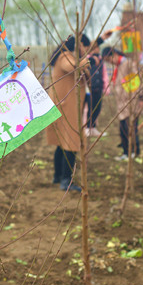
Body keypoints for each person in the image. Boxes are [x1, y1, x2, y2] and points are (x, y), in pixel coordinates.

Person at [46, 31, 112, 191]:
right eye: (84, 47)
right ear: (78, 46)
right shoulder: (65, 56)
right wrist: (90, 60)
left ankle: (58, 177)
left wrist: (101, 39)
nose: (87, 50)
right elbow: (73, 65)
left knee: (63, 144)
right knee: (71, 143)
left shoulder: (69, 55)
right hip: (67, 108)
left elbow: (84, 56)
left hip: (66, 107)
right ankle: (65, 180)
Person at [102, 46, 142, 161]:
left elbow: (135, 81)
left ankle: (134, 151)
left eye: (110, 60)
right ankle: (126, 152)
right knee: (123, 129)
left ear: (114, 54)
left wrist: (130, 95)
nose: (110, 62)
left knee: (130, 128)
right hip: (121, 103)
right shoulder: (119, 66)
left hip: (130, 102)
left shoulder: (128, 63)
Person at [84, 45, 105, 138]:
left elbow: (103, 74)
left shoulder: (101, 61)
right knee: (90, 108)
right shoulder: (86, 60)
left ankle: (93, 127)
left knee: (98, 108)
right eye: (96, 48)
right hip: (89, 88)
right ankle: (87, 127)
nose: (98, 49)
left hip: (98, 87)